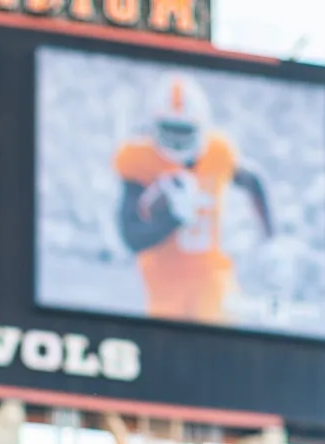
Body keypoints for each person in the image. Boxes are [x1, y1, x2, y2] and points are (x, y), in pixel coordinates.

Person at [115, 71, 271, 324]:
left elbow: (254, 181)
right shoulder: (138, 161)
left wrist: (268, 237)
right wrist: (172, 219)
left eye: (184, 130)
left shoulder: (218, 152)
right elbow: (131, 236)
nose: (177, 141)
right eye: (169, 130)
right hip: (164, 283)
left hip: (211, 274)